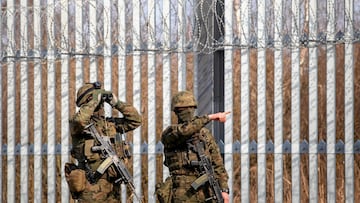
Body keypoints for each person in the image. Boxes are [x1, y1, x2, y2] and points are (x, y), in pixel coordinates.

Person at [65, 81, 142, 203]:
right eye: (97, 97)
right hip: (91, 186)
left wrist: (117, 103)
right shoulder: (78, 124)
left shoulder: (109, 124)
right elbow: (80, 121)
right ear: (89, 100)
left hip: (112, 185)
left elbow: (136, 120)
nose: (100, 103)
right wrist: (94, 100)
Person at [158, 91, 230, 203]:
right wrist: (210, 117)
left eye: (189, 108)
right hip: (182, 193)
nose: (186, 112)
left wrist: (224, 189)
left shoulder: (205, 135)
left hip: (206, 190)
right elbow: (185, 130)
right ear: (176, 112)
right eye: (182, 110)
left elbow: (218, 165)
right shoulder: (170, 133)